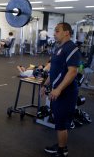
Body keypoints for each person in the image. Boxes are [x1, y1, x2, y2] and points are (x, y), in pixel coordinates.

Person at [40, 22, 80, 157]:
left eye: (57, 31)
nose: (54, 33)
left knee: (62, 122)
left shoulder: (72, 48)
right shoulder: (58, 48)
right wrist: (46, 85)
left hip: (66, 92)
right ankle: (60, 145)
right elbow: (54, 70)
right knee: (58, 120)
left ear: (66, 32)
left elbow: (73, 72)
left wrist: (58, 89)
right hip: (58, 90)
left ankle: (63, 151)